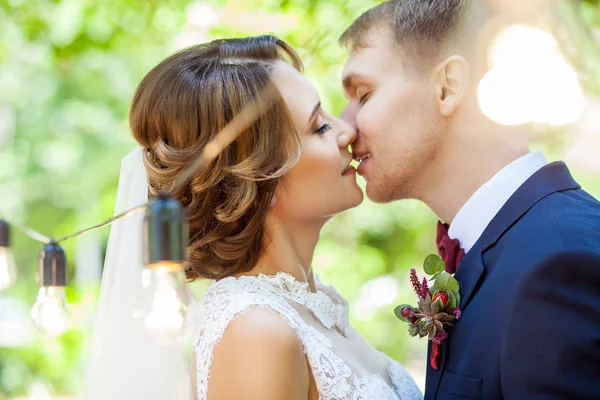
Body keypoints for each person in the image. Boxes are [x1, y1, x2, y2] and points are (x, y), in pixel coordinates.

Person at [85, 35, 423, 400]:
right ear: (260, 175)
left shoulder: (314, 301)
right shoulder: (254, 328)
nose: (346, 131)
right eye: (319, 127)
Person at [339, 1, 600, 399]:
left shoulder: (556, 263)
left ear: (448, 87)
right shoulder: (498, 250)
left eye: (363, 93)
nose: (345, 125)